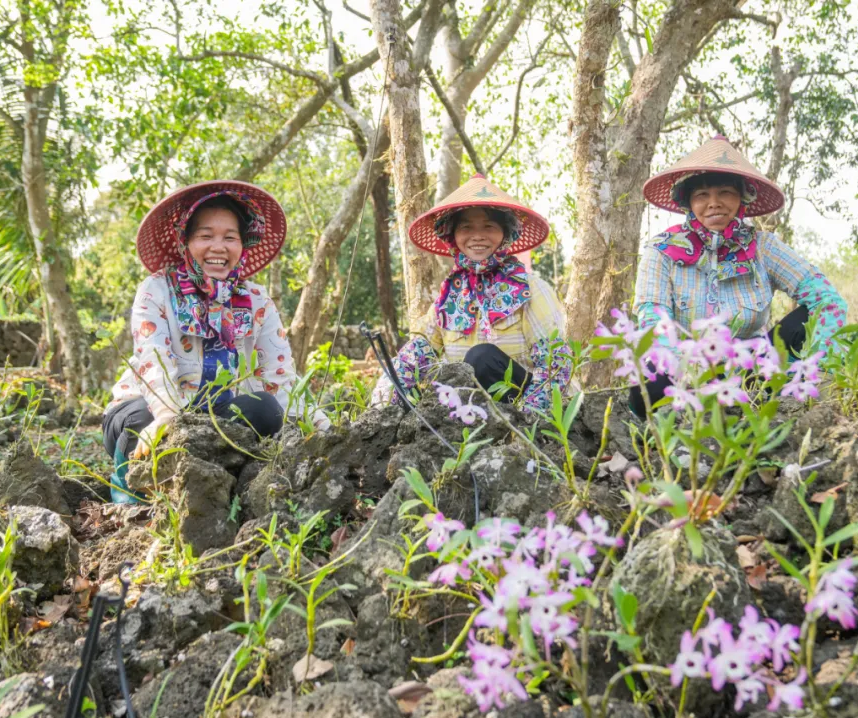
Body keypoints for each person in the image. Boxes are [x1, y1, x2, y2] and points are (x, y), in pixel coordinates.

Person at [103, 181, 329, 503]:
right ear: (186, 240)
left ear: (242, 244)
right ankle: (132, 499)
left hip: (216, 418)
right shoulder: (156, 289)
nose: (218, 247)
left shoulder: (255, 299)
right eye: (205, 236)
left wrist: (324, 429)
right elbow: (154, 359)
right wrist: (166, 417)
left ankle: (223, 489)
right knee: (142, 418)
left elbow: (281, 378)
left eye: (230, 237)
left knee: (266, 409)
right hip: (150, 407)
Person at [632, 135, 848, 417]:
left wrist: (820, 367)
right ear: (688, 203)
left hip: (751, 373)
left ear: (741, 198)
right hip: (685, 375)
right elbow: (652, 314)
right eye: (702, 195)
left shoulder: (763, 248)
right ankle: (681, 417)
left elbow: (827, 299)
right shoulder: (661, 251)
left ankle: (786, 397)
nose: (714, 203)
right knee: (648, 372)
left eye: (725, 192)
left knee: (806, 318)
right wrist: (686, 372)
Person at [371, 174, 571, 413]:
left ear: (505, 233)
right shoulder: (449, 297)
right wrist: (381, 404)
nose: (477, 235)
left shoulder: (529, 289)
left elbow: (555, 365)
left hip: (525, 411)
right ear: (452, 234)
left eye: (488, 226)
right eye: (466, 227)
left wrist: (528, 420)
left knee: (481, 358)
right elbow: (416, 353)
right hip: (469, 417)